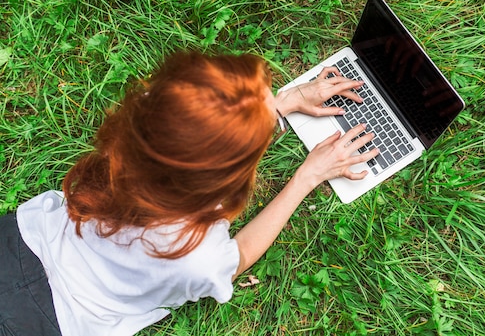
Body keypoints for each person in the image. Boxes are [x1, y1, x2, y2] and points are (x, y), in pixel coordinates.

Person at [0, 50, 379, 336]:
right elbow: (239, 257)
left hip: (19, 241)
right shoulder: (196, 255)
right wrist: (306, 178)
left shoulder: (146, 125)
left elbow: (197, 138)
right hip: (49, 321)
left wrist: (285, 102)